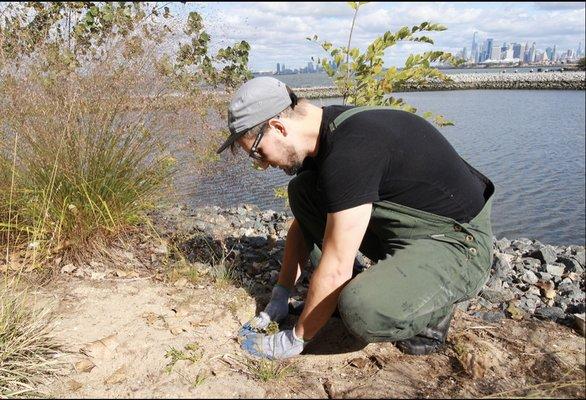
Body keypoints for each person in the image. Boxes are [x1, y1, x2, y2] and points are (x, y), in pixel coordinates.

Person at [215, 77, 495, 359]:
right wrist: (281, 294)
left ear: (278, 127)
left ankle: (432, 313)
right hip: (405, 229)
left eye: (258, 152)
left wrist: (296, 338)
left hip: (458, 242)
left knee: (361, 310)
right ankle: (365, 287)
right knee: (303, 190)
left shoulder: (351, 151)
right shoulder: (322, 135)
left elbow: (336, 265)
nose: (263, 164)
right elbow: (303, 227)